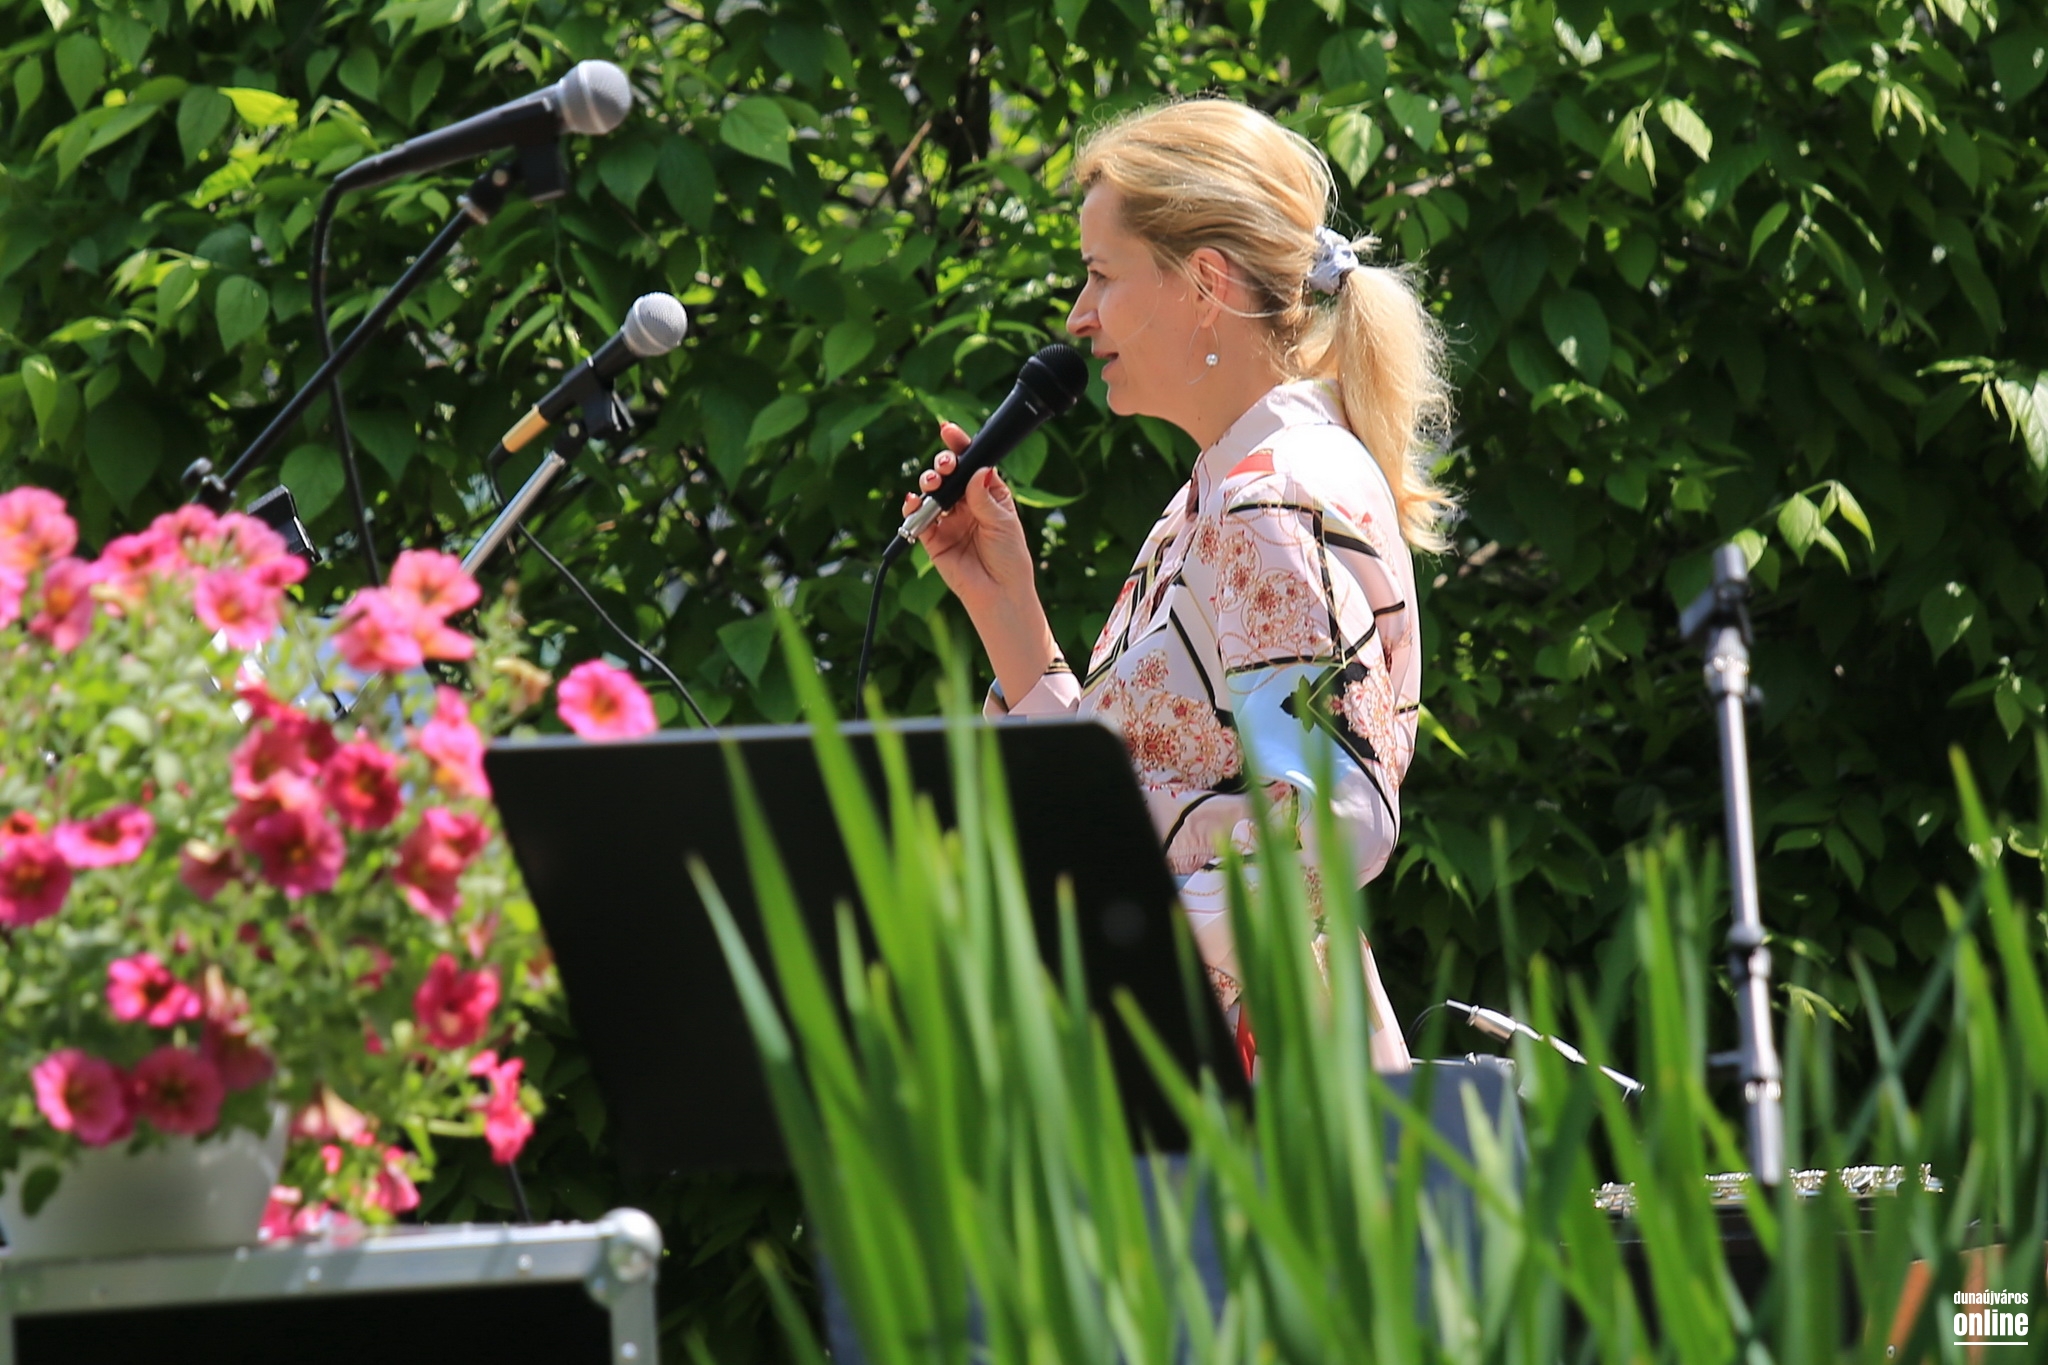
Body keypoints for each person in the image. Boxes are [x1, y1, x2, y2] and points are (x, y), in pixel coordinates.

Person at [900, 100, 1455, 1073]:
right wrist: (1003, 602)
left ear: (1204, 283)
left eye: (1101, 274)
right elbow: (1131, 795)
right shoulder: (1227, 490)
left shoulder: (1270, 495)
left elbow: (1338, 817)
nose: (1077, 316)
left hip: (1243, 1078)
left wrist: (1134, 933)